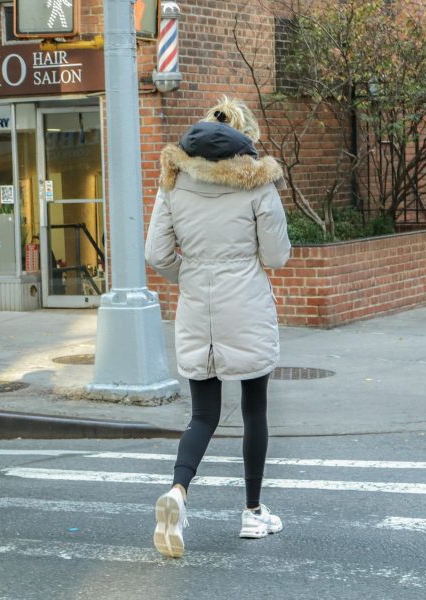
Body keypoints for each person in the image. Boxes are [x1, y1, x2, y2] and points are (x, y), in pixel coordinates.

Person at [146, 96, 291, 558]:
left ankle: (177, 493)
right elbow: (276, 256)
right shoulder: (257, 183)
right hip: (244, 303)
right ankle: (252, 513)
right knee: (254, 409)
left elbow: (157, 255)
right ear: (245, 137)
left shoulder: (173, 182)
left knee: (203, 414)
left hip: (196, 306)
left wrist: (189, 274)